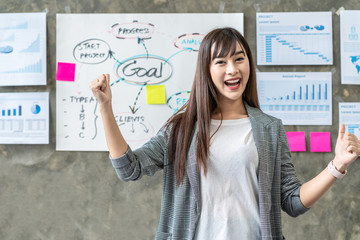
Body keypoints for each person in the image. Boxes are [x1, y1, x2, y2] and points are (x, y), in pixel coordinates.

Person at [89, 27, 360, 240]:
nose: (232, 69)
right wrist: (105, 108)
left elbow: (292, 201)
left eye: (239, 59)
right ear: (207, 71)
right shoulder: (182, 129)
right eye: (221, 61)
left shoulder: (269, 129)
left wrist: (336, 166)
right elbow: (129, 168)